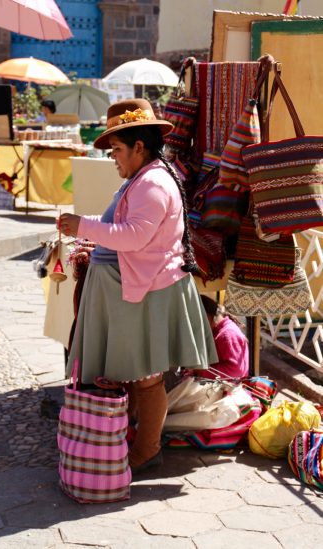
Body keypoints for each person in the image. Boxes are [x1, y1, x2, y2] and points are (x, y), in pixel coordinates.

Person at [58, 98, 217, 473]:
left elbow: (134, 237)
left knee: (146, 379)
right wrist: (83, 225)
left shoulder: (154, 184)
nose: (113, 157)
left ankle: (146, 451)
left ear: (139, 147)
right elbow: (121, 224)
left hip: (149, 293)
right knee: (135, 376)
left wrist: (82, 226)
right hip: (136, 290)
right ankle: (125, 439)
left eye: (116, 149)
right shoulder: (142, 180)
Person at [195, 295, 249, 380]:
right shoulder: (218, 332)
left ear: (207, 316)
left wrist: (201, 371)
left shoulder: (228, 335)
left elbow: (236, 371)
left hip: (228, 390)